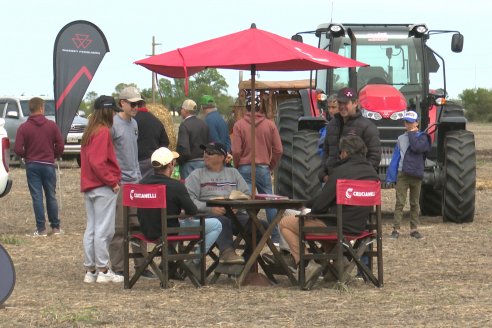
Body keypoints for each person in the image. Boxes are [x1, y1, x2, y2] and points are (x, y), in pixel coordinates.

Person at [268, 135, 379, 283]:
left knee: (286, 222)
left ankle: (305, 263)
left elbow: (321, 204)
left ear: (345, 153)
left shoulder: (341, 172)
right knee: (320, 222)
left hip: (338, 227)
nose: (340, 155)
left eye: (341, 152)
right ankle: (339, 265)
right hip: (360, 227)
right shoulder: (372, 173)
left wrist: (307, 207)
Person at [137, 147, 222, 272]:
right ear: (171, 164)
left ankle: (170, 265)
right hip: (168, 231)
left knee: (172, 221)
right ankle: (194, 260)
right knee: (216, 225)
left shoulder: (142, 183)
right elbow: (192, 211)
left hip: (146, 230)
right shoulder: (175, 186)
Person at [185, 142, 263, 264]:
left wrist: (238, 205)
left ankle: (246, 263)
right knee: (221, 221)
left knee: (260, 225)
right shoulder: (196, 175)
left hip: (234, 215)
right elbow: (189, 201)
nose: (205, 155)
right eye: (205, 152)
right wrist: (209, 209)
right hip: (208, 217)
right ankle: (227, 253)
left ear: (222, 157)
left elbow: (246, 194)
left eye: (210, 153)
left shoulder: (234, 173)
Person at [109, 86, 154, 279]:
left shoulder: (134, 124)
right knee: (119, 227)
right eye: (133, 103)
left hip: (136, 181)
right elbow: (107, 152)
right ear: (122, 103)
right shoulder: (113, 124)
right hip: (120, 182)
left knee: (138, 225)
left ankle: (141, 265)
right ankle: (118, 266)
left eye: (139, 103)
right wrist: (113, 178)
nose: (136, 107)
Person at [80, 96, 123, 283]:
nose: (115, 113)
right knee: (103, 230)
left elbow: (89, 161)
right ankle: (103, 270)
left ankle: (91, 270)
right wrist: (112, 181)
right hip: (102, 186)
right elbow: (98, 162)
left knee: (91, 229)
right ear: (107, 111)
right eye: (113, 110)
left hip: (89, 185)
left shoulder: (90, 131)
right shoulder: (103, 131)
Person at [231, 102, 283, 244]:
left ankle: (246, 232)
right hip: (263, 166)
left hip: (244, 166)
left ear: (246, 108)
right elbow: (278, 149)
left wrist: (237, 164)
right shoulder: (270, 125)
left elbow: (235, 150)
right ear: (261, 108)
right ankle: (276, 236)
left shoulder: (239, 125)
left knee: (243, 200)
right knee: (269, 201)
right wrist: (270, 165)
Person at [14, 97, 64, 237]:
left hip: (32, 165)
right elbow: (60, 145)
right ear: (42, 108)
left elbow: (17, 149)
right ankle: (55, 227)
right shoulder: (52, 125)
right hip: (48, 164)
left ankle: (41, 229)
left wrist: (27, 154)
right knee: (51, 195)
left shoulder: (23, 127)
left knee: (37, 197)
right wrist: (53, 155)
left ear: (30, 109)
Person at [318, 87, 381, 183]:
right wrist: (323, 175)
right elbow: (326, 152)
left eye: (346, 103)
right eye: (340, 103)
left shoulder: (367, 127)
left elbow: (374, 157)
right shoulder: (331, 125)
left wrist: (357, 177)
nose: (342, 106)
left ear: (355, 103)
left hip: (355, 184)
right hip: (331, 180)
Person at [386, 110, 431, 240]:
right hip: (402, 173)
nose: (409, 124)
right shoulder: (400, 139)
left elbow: (417, 148)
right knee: (400, 202)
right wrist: (391, 176)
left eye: (411, 122)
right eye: (406, 122)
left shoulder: (422, 137)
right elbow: (396, 157)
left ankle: (414, 229)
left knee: (414, 203)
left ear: (417, 122)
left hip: (416, 173)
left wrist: (412, 134)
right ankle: (396, 229)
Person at [134, 99, 170, 179]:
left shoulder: (132, 121)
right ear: (144, 105)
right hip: (152, 162)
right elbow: (165, 142)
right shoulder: (156, 121)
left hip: (136, 162)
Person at [176, 99, 209, 179]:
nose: (181, 111)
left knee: (189, 190)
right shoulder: (203, 124)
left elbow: (184, 148)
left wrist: (179, 161)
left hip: (190, 164)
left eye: (182, 109)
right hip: (203, 162)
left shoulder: (184, 125)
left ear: (185, 110)